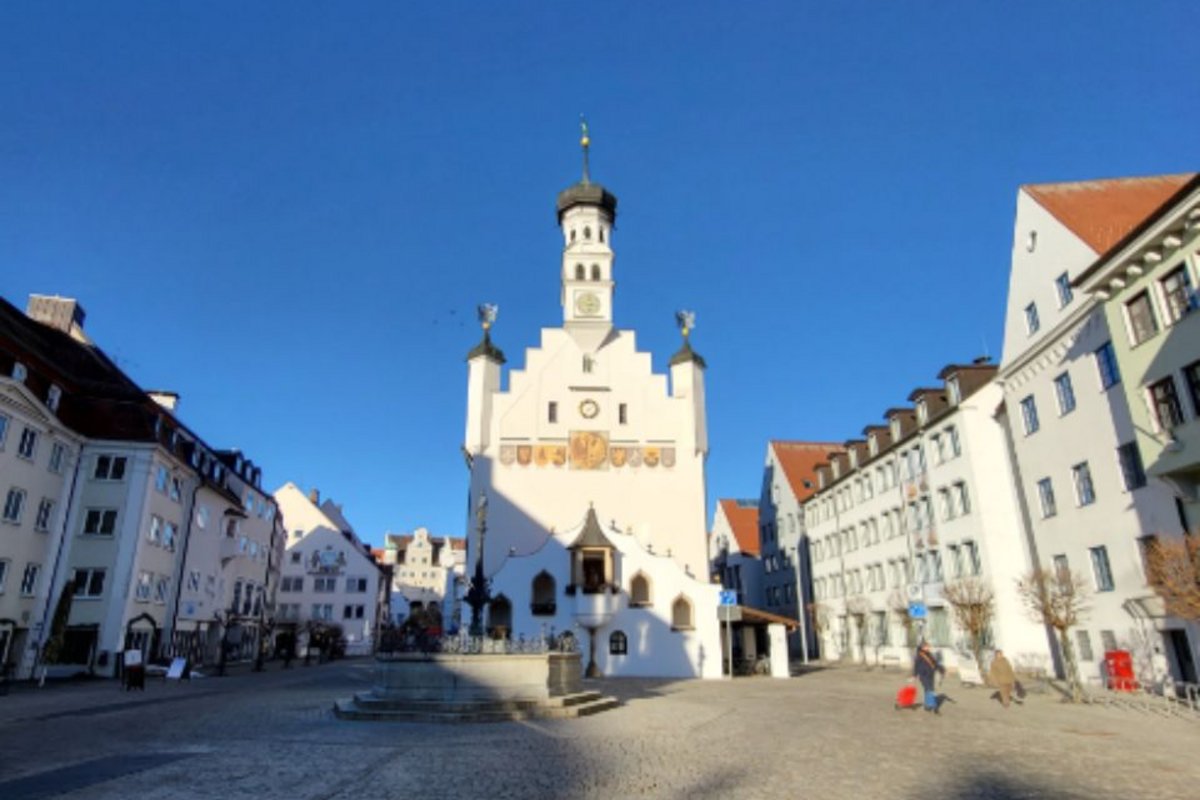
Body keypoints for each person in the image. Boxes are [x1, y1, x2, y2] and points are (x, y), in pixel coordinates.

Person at [912, 641, 945, 713]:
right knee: (929, 689)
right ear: (923, 647)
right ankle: (932, 705)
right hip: (923, 675)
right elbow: (916, 666)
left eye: (928, 646)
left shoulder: (929, 654)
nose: (929, 648)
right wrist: (914, 675)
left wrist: (941, 669)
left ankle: (927, 705)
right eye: (927, 646)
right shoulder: (919, 655)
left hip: (930, 674)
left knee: (930, 689)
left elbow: (934, 663)